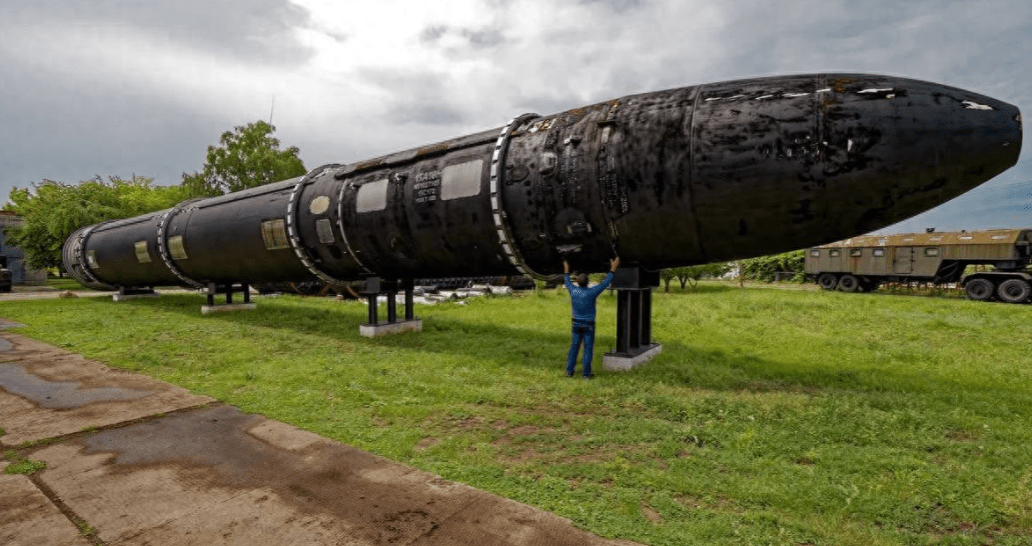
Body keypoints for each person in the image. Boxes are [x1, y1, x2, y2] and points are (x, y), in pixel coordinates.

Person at [563, 256, 620, 378]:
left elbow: (567, 281)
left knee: (574, 347)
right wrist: (613, 269)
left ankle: (569, 372)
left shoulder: (573, 290)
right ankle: (586, 374)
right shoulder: (592, 292)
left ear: (577, 281)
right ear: (588, 282)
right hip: (589, 324)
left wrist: (566, 269)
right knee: (588, 349)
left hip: (576, 323)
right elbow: (605, 283)